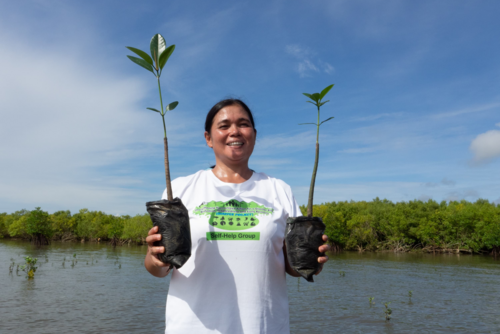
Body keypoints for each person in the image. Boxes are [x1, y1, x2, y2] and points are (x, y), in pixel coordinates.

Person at [145, 99, 330, 334]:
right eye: (224, 126)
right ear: (208, 138)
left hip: (264, 326)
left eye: (243, 124)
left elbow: (293, 268)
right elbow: (158, 269)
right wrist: (156, 258)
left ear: (253, 134)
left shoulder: (278, 189)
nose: (234, 131)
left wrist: (313, 263)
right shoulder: (181, 189)